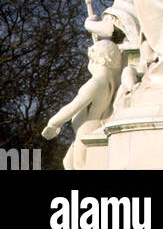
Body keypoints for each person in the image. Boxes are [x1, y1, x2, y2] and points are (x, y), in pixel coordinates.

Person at [42, 40, 123, 170]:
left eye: (91, 59)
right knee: (68, 162)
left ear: (98, 60)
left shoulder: (96, 82)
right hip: (90, 128)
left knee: (80, 166)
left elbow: (72, 107)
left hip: (86, 130)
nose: (90, 63)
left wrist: (53, 123)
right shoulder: (110, 80)